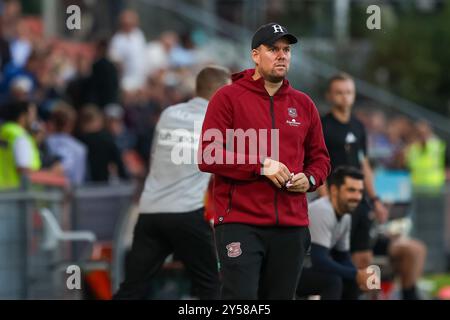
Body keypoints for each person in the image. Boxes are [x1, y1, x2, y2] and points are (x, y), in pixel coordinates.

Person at [198, 23, 331, 300]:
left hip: (292, 226)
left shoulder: (304, 104)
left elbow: (320, 159)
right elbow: (208, 155)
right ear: (256, 55)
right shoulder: (227, 97)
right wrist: (261, 165)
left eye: (286, 50)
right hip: (240, 222)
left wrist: (309, 179)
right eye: (273, 49)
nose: (282, 55)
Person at [114, 66, 231, 300]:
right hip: (187, 213)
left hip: (151, 212)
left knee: (133, 288)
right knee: (211, 286)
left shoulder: (168, 114)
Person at [318, 73, 389, 270]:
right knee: (336, 259)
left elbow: (363, 163)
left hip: (358, 199)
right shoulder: (322, 126)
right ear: (329, 96)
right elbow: (316, 164)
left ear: (354, 95)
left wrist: (375, 200)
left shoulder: (358, 126)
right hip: (335, 201)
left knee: (364, 259)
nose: (344, 96)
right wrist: (326, 201)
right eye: (339, 92)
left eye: (348, 92)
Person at [296, 166, 372, 300]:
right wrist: (356, 274)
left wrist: (359, 276)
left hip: (308, 267)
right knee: (332, 281)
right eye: (351, 190)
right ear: (334, 190)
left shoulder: (346, 215)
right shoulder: (323, 210)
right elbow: (319, 260)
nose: (357, 197)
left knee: (350, 281)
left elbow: (343, 256)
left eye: (360, 192)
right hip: (289, 269)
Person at [0, 100, 41, 189]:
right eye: (32, 115)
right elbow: (24, 169)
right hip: (16, 194)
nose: (34, 119)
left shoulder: (4, 132)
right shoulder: (20, 136)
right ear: (22, 116)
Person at [45, 102, 87, 186]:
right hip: (72, 194)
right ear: (71, 124)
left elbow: (63, 165)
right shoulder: (80, 148)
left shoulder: (45, 142)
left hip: (51, 194)